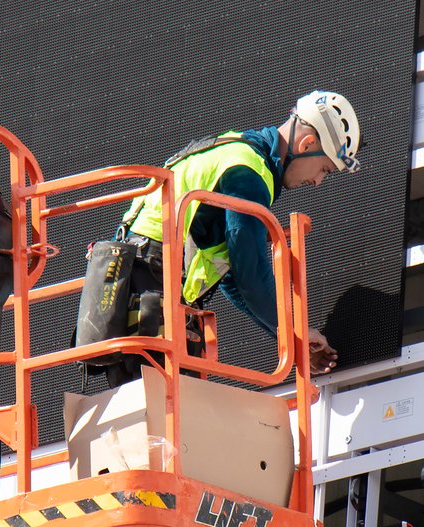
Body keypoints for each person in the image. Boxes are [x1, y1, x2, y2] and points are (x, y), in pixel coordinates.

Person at [78, 90, 359, 384]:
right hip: (152, 284)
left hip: (134, 285)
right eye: (324, 169)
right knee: (166, 407)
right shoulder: (248, 171)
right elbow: (250, 272)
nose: (316, 182)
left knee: (148, 407)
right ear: (308, 143)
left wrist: (290, 338)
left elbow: (233, 278)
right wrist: (295, 331)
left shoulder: (235, 149)